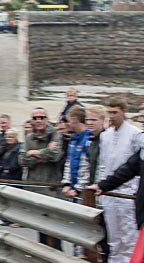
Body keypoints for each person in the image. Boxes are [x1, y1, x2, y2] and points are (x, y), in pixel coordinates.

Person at [88, 101, 144, 263]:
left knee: (142, 255)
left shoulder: (139, 138)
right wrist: (103, 185)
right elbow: (129, 169)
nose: (141, 120)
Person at [20, 106, 63, 250]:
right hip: (35, 189)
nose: (39, 120)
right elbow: (22, 160)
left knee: (54, 231)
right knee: (41, 230)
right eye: (35, 118)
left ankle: (57, 258)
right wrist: (44, 154)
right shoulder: (29, 137)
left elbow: (55, 155)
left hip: (52, 189)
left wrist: (34, 152)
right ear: (31, 121)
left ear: (47, 119)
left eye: (42, 117)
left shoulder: (55, 134)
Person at [60, 106, 91, 199]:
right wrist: (66, 183)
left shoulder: (89, 139)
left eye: (68, 121)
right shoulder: (73, 140)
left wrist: (78, 189)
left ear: (73, 120)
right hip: (72, 189)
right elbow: (68, 163)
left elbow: (87, 167)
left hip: (84, 191)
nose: (67, 124)